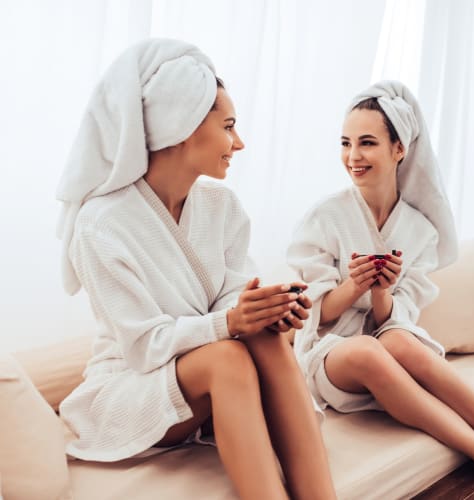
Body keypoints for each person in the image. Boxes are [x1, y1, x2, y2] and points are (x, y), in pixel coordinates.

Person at [57, 38, 336, 500]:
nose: (239, 143)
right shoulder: (101, 224)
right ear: (182, 125)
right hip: (131, 385)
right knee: (226, 355)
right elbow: (145, 347)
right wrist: (228, 322)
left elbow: (231, 297)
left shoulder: (221, 205)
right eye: (229, 127)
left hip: (204, 378)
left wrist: (263, 311)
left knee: (261, 337)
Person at [287, 80, 474, 499]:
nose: (353, 156)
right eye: (346, 143)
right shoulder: (325, 217)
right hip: (332, 359)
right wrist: (353, 287)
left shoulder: (419, 230)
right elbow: (316, 315)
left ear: (399, 149)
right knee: (370, 349)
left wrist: (383, 291)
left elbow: (395, 321)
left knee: (400, 342)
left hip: (389, 350)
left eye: (367, 143)